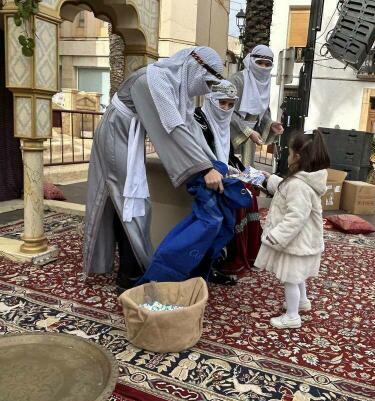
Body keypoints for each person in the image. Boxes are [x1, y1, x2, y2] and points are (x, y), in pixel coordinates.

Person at [83, 47, 224, 290]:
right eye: (208, 82)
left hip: (130, 136)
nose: (207, 90)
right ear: (195, 66)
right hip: (117, 134)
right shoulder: (153, 80)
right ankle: (131, 274)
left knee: (124, 202)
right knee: (132, 200)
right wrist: (203, 170)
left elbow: (190, 129)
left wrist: (214, 162)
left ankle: (128, 268)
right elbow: (172, 129)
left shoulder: (177, 88)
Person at [255, 131, 330, 329]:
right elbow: (285, 188)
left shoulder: (298, 185)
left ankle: (292, 316)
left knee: (290, 279)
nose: (287, 157)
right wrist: (269, 179)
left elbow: (296, 216)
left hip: (295, 243)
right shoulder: (303, 181)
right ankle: (303, 302)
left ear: (296, 157)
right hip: (303, 242)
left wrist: (276, 236)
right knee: (298, 277)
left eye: (289, 153)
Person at [193, 80, 262, 285]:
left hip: (222, 178)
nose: (225, 109)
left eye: (230, 104)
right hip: (202, 180)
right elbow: (199, 155)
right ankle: (209, 267)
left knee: (249, 191)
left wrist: (247, 173)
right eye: (221, 103)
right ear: (211, 99)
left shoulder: (223, 124)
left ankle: (229, 258)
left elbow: (228, 157)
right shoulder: (198, 119)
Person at [230, 45, 284, 167]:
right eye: (259, 63)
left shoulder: (265, 84)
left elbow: (262, 112)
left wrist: (271, 124)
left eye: (267, 64)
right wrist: (247, 131)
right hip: (231, 135)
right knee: (231, 169)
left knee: (246, 170)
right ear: (251, 61)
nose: (263, 67)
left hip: (250, 138)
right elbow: (225, 110)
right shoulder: (237, 81)